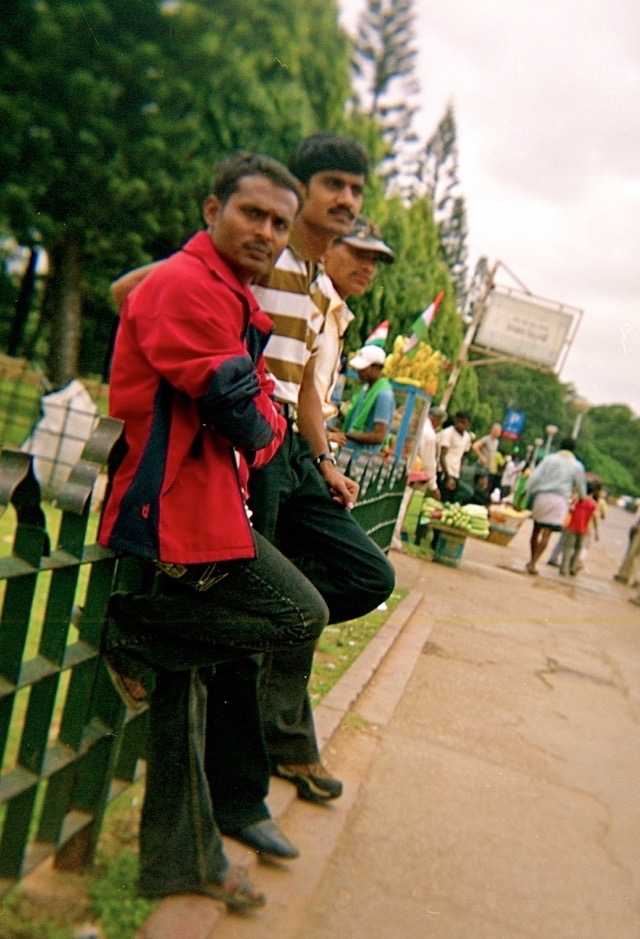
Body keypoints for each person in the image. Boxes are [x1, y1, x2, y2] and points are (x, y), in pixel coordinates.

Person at [99, 151, 329, 910]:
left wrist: (259, 412)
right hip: (175, 506)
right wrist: (264, 422)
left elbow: (251, 395)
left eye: (278, 223)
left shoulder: (226, 291)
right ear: (211, 211)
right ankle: (136, 632)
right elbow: (245, 410)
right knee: (301, 612)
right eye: (251, 213)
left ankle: (178, 859)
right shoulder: (191, 288)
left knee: (184, 697)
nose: (265, 231)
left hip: (207, 502)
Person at [246, 135, 395, 806]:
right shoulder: (269, 260)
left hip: (299, 451)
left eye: (356, 190)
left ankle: (278, 721)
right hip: (256, 443)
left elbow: (307, 384)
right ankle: (282, 742)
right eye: (333, 186)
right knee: (288, 598)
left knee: (360, 578)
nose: (346, 202)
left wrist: (327, 457)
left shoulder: (315, 292)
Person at [320, 216, 396, 443]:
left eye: (374, 261)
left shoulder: (336, 317)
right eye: (359, 254)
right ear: (326, 249)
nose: (368, 269)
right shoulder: (312, 308)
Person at [523, 437, 586, 575]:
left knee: (536, 530)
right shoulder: (577, 466)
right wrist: (582, 498)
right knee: (547, 534)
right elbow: (581, 487)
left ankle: (531, 559)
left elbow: (535, 477)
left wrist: (525, 491)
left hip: (542, 496)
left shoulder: (549, 459)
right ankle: (533, 563)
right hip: (560, 500)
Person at [339, 344, 395, 452]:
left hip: (363, 460)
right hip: (349, 454)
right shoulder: (364, 390)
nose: (359, 371)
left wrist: (347, 435)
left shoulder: (384, 395)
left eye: (363, 368)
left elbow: (379, 436)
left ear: (376, 367)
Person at [559, 480, 601, 576]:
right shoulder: (593, 504)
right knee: (578, 549)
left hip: (571, 526)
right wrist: (597, 532)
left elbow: (570, 509)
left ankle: (564, 568)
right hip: (583, 529)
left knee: (568, 548)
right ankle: (573, 567)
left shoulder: (577, 500)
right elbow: (594, 518)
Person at [437, 410, 473, 503]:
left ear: (468, 424)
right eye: (458, 421)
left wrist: (459, 471)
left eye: (463, 422)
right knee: (443, 500)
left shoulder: (467, 437)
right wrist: (448, 477)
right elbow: (442, 456)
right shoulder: (448, 433)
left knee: (454, 499)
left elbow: (463, 455)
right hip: (445, 472)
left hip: (456, 472)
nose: (460, 424)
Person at [471, 423, 503, 492]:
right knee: (478, 485)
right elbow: (475, 446)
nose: (496, 432)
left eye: (498, 431)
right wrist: (481, 456)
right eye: (495, 430)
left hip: (488, 467)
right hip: (481, 466)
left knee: (485, 487)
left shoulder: (496, 442)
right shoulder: (486, 439)